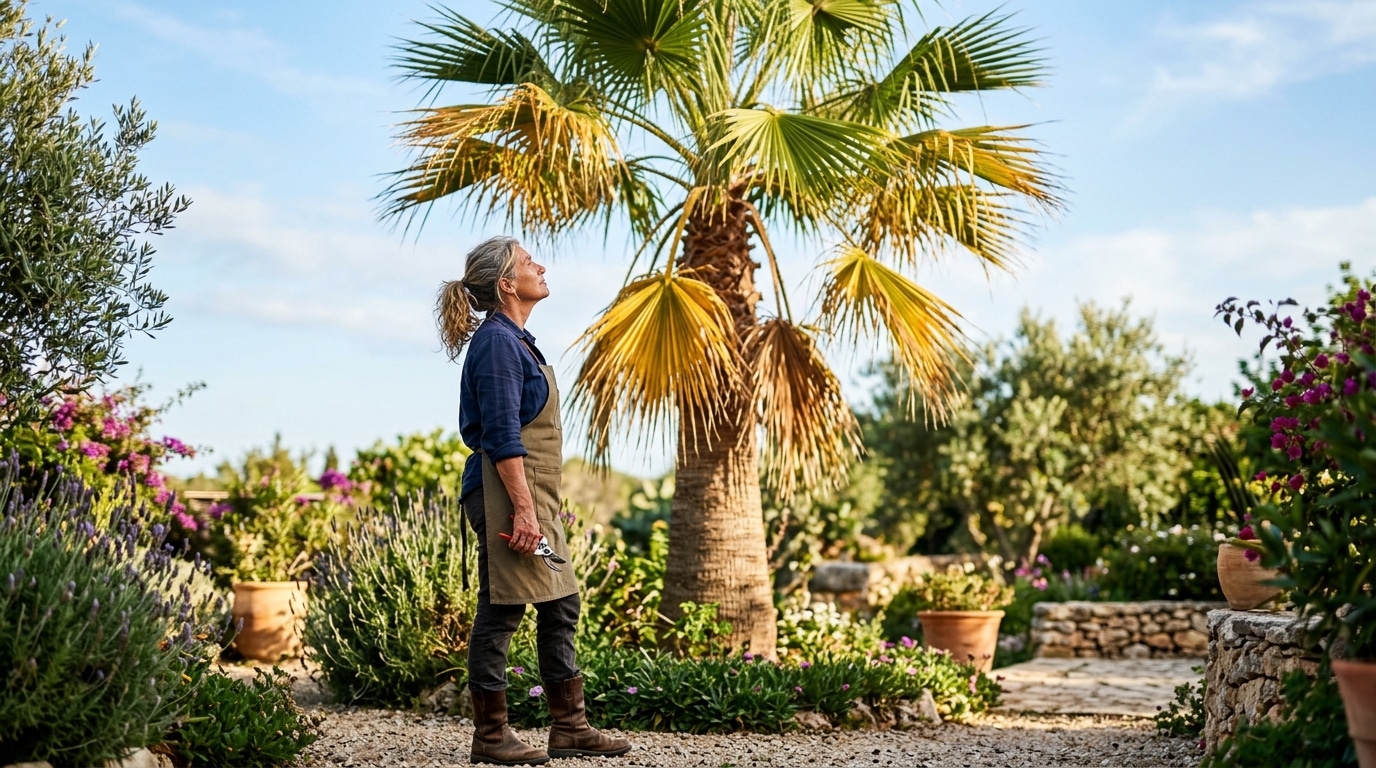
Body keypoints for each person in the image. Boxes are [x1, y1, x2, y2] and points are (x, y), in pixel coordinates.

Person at [438, 236, 632, 766]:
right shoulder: (498, 343)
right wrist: (524, 511)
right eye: (528, 263)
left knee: (559, 600)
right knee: (502, 608)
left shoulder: (518, 341)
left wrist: (536, 507)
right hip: (506, 497)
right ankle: (491, 735)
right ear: (506, 284)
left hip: (530, 497)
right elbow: (501, 435)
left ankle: (570, 728)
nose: (539, 267)